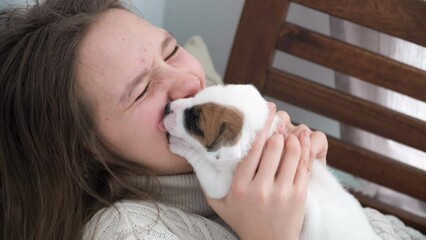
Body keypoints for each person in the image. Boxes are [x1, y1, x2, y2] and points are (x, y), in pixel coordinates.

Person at [0, 0, 328, 239]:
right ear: (88, 148)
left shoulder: (227, 148)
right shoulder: (130, 231)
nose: (188, 82)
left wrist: (315, 186)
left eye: (171, 50)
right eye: (142, 90)